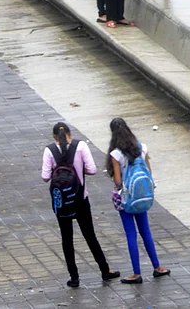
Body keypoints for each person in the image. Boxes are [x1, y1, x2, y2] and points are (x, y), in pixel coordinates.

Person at [42, 122, 121, 287]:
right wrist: (78, 170)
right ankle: (104, 270)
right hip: (80, 199)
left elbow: (45, 176)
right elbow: (92, 170)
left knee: (67, 238)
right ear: (70, 133)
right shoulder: (81, 146)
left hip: (62, 202)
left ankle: (74, 277)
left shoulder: (49, 150)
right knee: (90, 235)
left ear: (54, 136)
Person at [106, 117, 170, 284]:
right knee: (146, 231)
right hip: (142, 196)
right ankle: (157, 267)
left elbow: (118, 182)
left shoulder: (116, 154)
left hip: (126, 199)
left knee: (131, 235)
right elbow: (148, 172)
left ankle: (137, 273)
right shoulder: (142, 148)